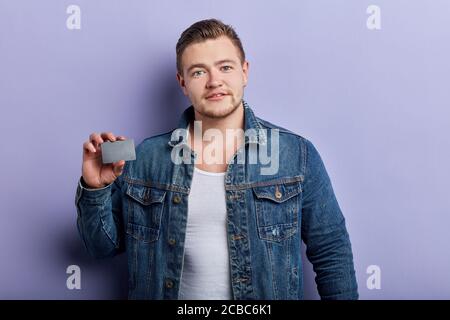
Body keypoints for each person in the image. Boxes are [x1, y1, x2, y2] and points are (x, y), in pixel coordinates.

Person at [75, 18, 358, 300]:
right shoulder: (143, 157)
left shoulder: (296, 155)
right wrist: (95, 187)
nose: (214, 82)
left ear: (244, 72)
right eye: (199, 72)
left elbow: (332, 253)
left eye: (225, 67)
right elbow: (101, 248)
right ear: (182, 83)